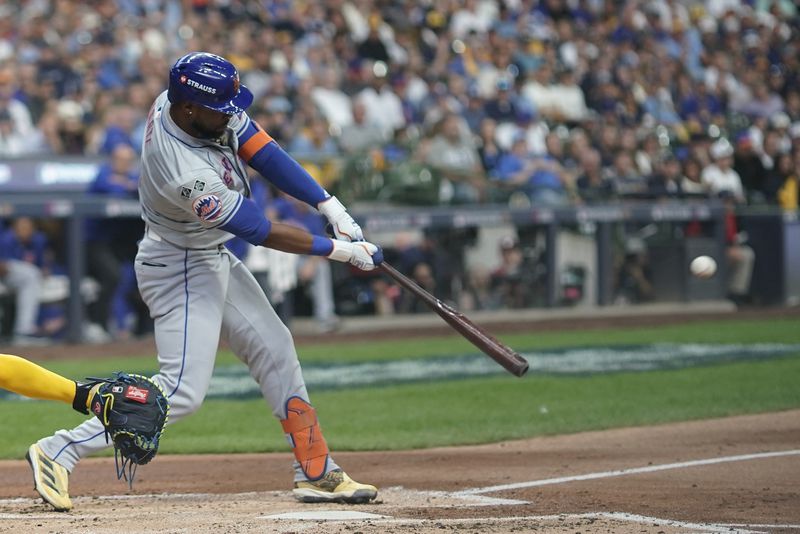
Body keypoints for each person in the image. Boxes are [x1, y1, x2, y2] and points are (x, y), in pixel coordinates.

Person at [28, 52, 383, 511]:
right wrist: (341, 251)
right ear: (190, 108)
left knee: (276, 348)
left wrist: (329, 205)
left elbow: (264, 151)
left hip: (205, 253)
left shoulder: (189, 106)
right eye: (222, 107)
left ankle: (315, 469)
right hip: (179, 264)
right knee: (180, 393)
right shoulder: (183, 168)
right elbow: (258, 229)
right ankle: (59, 449)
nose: (231, 112)